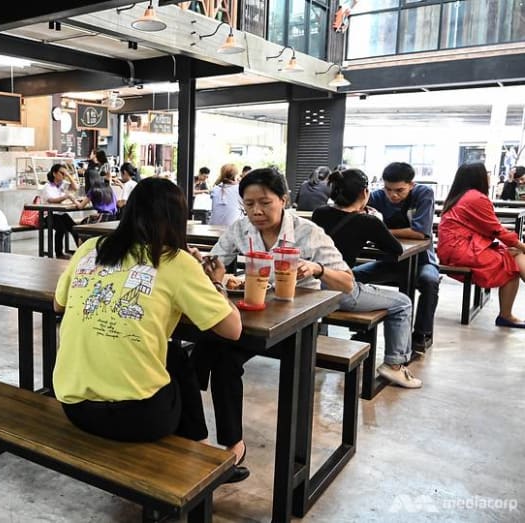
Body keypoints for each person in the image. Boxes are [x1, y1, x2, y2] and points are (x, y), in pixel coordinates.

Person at [52, 177, 242, 467]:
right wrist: (214, 283)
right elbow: (232, 329)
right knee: (177, 359)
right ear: (178, 219)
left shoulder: (91, 247)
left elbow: (58, 304)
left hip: (74, 407)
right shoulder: (176, 261)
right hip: (138, 419)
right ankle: (201, 450)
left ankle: (199, 450)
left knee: (169, 356)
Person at [193, 168, 354, 480]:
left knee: (212, 355)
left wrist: (318, 269)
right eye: (249, 204)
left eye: (265, 203)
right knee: (204, 353)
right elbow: (216, 262)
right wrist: (205, 264)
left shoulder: (308, 233)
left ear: (284, 200)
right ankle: (217, 442)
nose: (256, 211)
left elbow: (347, 283)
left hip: (296, 324)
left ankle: (218, 441)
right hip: (253, 317)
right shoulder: (241, 228)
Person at [312, 169, 422, 386]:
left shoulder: (319, 213)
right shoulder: (368, 222)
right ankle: (394, 365)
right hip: (340, 291)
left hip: (312, 286)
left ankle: (319, 346)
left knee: (360, 280)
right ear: (365, 193)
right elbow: (395, 249)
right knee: (403, 302)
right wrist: (374, 222)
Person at [353, 162, 440, 353]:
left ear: (411, 185)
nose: (393, 195)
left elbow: (420, 232)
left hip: (422, 260)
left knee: (429, 281)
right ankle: (361, 328)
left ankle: (421, 335)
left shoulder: (423, 194)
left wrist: (379, 231)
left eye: (399, 190)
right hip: (390, 263)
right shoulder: (377, 196)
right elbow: (356, 213)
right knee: (351, 276)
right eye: (388, 189)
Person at [438, 163, 525, 328]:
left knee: (515, 256)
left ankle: (506, 316)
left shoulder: (460, 196)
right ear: (479, 177)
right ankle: (506, 316)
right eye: (487, 173)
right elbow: (497, 230)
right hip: (462, 250)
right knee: (513, 262)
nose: (489, 177)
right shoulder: (476, 197)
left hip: (452, 249)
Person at [40, 163, 79, 258]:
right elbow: (51, 200)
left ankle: (81, 250)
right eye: (62, 173)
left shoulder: (63, 184)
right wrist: (66, 196)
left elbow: (76, 188)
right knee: (61, 229)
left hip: (61, 213)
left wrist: (68, 175)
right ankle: (59, 253)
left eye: (64, 173)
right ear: (54, 173)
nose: (63, 175)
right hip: (49, 215)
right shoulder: (47, 187)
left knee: (75, 228)